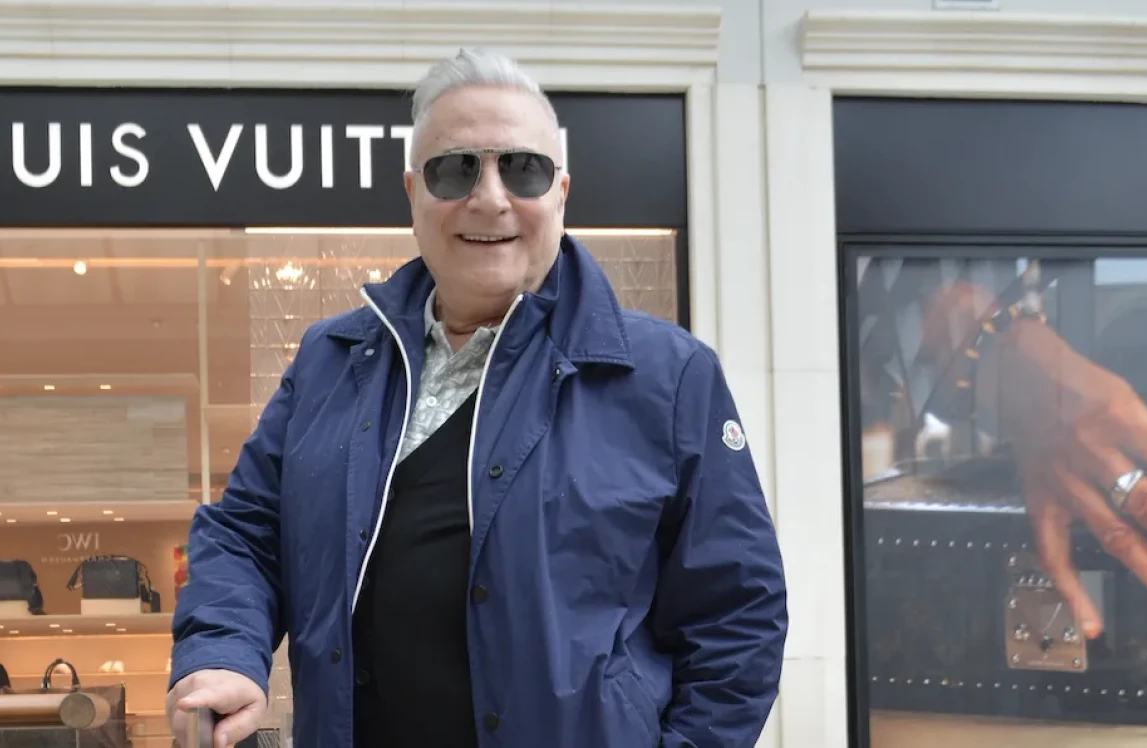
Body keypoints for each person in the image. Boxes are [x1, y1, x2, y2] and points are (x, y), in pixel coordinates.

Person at [166, 47, 787, 748]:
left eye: (523, 169)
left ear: (561, 192)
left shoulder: (667, 377)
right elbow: (245, 533)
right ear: (413, 194)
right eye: (455, 169)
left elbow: (737, 615)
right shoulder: (329, 361)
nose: (489, 197)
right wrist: (223, 651)